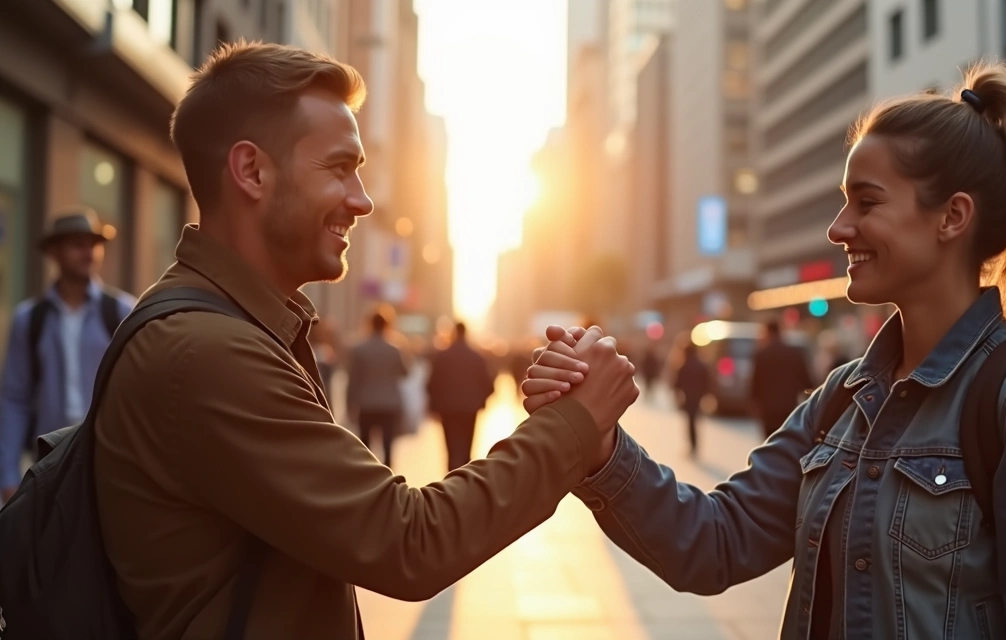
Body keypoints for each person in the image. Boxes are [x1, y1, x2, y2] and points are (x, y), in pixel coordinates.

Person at [525, 61, 1006, 638]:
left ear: (952, 217)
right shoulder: (844, 397)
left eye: (867, 202)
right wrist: (596, 439)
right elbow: (714, 542)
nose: (838, 227)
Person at [92, 41, 638, 639]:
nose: (362, 199)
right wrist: (576, 424)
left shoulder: (230, 327)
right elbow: (410, 540)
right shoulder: (205, 352)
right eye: (338, 167)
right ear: (251, 171)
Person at [0, 207, 136, 503]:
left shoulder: (122, 312)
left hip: (108, 458)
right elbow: (14, 398)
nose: (88, 253)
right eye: (77, 244)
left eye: (94, 244)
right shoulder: (30, 319)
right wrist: (8, 474)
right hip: (48, 461)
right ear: (54, 252)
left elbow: (139, 391)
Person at [346, 305, 411, 467]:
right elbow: (405, 373)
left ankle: (368, 482)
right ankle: (389, 480)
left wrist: (349, 405)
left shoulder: (359, 349)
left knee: (365, 449)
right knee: (388, 446)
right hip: (390, 404)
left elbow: (353, 379)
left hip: (366, 404)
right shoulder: (395, 349)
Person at [427, 322, 496, 472]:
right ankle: (464, 477)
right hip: (470, 408)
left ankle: (451, 475)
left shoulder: (442, 357)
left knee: (451, 447)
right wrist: (480, 400)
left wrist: (433, 406)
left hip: (447, 408)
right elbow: (489, 384)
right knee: (466, 445)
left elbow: (432, 383)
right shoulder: (476, 357)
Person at [750, 319, 814, 438]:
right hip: (788, 406)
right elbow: (806, 381)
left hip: (768, 409)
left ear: (767, 332)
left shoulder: (761, 354)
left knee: (768, 441)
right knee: (785, 440)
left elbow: (755, 382)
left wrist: (753, 402)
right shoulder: (794, 353)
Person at [673, 341, 710, 456]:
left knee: (690, 422)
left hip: (688, 397)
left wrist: (678, 397)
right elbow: (707, 382)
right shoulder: (701, 364)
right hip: (698, 396)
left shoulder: (683, 365)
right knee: (694, 421)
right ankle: (695, 444)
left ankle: (692, 444)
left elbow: (677, 384)